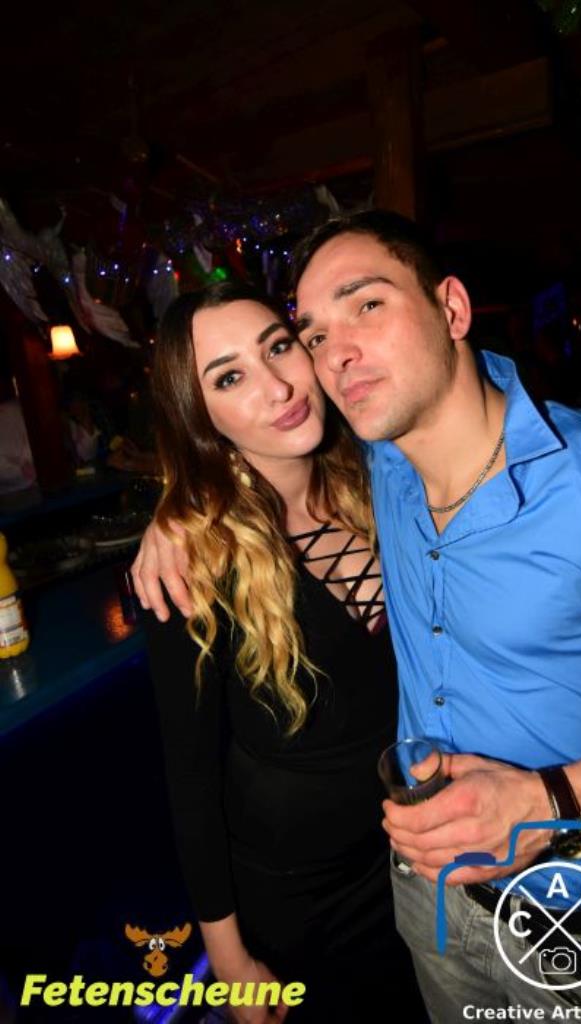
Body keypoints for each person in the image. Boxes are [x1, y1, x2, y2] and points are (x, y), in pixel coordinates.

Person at [134, 213, 581, 1021]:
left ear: (451, 308)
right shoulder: (382, 468)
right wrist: (177, 508)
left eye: (366, 305)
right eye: (314, 334)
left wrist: (551, 802)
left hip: (571, 918)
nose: (329, 356)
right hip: (418, 903)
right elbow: (189, 772)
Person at [139, 281, 425, 1024]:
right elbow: (190, 780)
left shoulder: (386, 478)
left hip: (416, 855)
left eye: (278, 347)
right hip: (304, 898)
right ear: (199, 415)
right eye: (229, 377)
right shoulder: (195, 564)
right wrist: (229, 959)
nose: (277, 386)